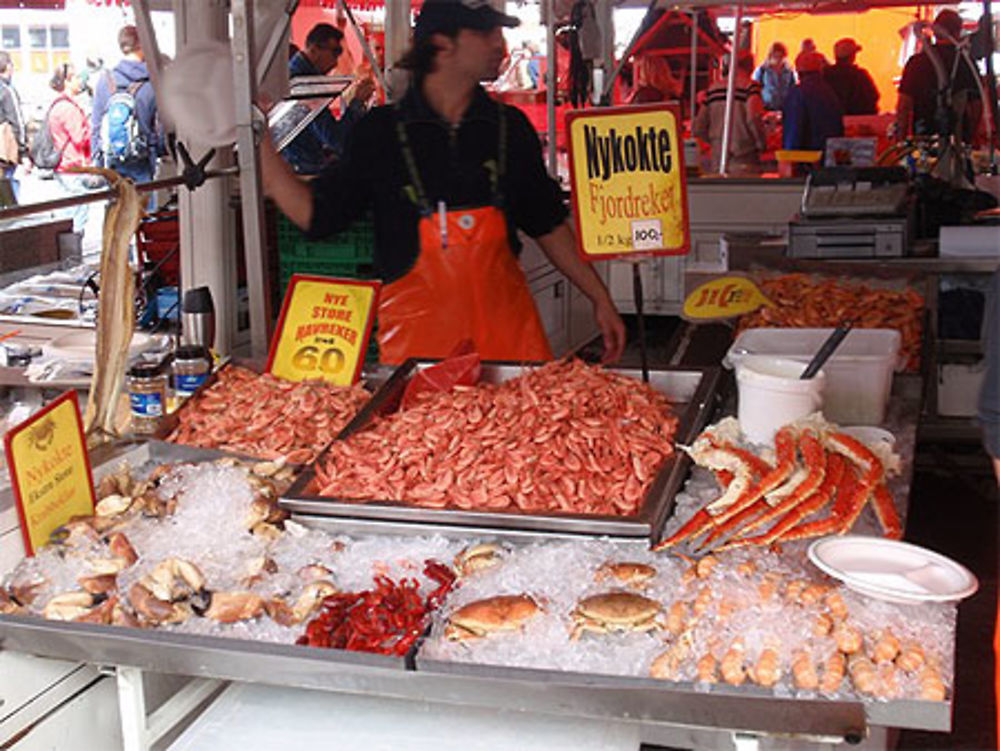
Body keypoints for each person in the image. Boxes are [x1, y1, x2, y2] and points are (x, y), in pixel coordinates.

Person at [259, 0, 625, 365]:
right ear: (443, 44)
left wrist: (599, 297)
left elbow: (548, 223)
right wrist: (261, 144)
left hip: (511, 357)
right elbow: (317, 215)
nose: (500, 44)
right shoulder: (381, 133)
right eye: (485, 32)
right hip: (419, 363)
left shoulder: (508, 127)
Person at [283, 23, 375, 174]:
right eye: (335, 52)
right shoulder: (306, 85)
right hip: (305, 170)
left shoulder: (293, 75)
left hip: (295, 165)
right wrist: (357, 103)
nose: (336, 62)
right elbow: (335, 139)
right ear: (315, 49)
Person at [896, 9, 982, 143]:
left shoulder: (916, 63)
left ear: (935, 31)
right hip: (958, 139)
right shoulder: (965, 62)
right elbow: (976, 106)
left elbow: (904, 105)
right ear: (958, 31)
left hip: (923, 137)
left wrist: (900, 140)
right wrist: (970, 136)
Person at [91, 25, 160, 186]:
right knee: (143, 207)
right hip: (143, 160)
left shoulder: (106, 80)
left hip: (113, 161)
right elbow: (160, 127)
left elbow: (96, 126)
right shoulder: (151, 83)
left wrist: (98, 163)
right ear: (142, 45)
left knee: (119, 207)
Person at [692, 51, 765, 175]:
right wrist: (761, 142)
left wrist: (715, 141)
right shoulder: (751, 87)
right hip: (744, 155)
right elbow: (753, 117)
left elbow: (698, 127)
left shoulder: (713, 89)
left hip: (717, 156)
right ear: (750, 66)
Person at [47, 62, 93, 233]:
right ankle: (73, 255)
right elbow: (80, 138)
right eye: (77, 78)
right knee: (78, 216)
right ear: (67, 80)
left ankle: (68, 253)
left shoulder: (57, 105)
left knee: (67, 213)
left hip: (63, 166)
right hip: (73, 166)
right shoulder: (68, 108)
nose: (80, 82)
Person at [782, 50, 843, 153]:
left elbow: (793, 132)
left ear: (798, 72)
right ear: (821, 70)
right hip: (829, 155)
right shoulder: (829, 91)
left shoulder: (798, 92)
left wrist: (789, 157)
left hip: (807, 158)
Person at [824, 38, 879, 115]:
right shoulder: (860, 75)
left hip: (831, 121)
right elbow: (874, 96)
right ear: (852, 56)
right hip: (858, 121)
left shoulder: (825, 75)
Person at [0, 51, 25, 200]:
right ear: (8, 67)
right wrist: (23, 151)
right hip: (5, 151)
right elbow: (17, 122)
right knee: (9, 191)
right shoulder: (7, 91)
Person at [753, 41, 794, 111]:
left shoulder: (789, 72)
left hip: (784, 109)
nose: (778, 60)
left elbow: (792, 90)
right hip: (766, 108)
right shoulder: (762, 70)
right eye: (775, 57)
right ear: (770, 56)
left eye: (781, 57)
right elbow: (755, 90)